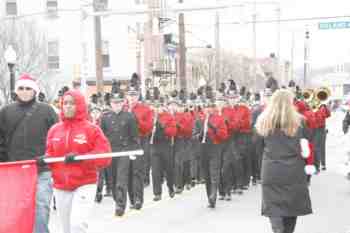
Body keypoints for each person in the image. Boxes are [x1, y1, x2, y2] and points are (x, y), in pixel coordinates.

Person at [43, 90, 111, 233]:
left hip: (84, 184)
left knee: (77, 225)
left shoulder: (92, 130)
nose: (68, 106)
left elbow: (105, 157)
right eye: (65, 103)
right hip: (61, 186)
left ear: (80, 105)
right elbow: (50, 153)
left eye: (72, 103)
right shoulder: (54, 130)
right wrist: (45, 159)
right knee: (66, 228)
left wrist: (81, 158)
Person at [0, 74, 59, 233]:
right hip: (15, 171)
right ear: (16, 91)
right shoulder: (5, 112)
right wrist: (4, 164)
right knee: (17, 210)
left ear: (35, 91)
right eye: (21, 88)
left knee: (41, 208)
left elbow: (57, 137)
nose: (24, 91)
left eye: (28, 88)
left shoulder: (47, 110)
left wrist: (50, 158)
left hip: (41, 170)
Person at [255, 89, 312, 233]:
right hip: (294, 172)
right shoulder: (300, 122)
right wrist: (309, 172)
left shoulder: (262, 121)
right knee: (291, 212)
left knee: (274, 211)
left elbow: (258, 149)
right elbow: (307, 149)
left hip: (271, 171)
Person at [100, 93, 141, 216]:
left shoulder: (129, 117)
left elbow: (135, 137)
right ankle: (118, 199)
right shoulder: (105, 118)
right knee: (112, 180)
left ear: (123, 103)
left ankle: (120, 205)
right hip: (111, 152)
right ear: (110, 104)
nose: (116, 105)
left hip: (125, 151)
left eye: (119, 102)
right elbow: (102, 137)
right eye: (114, 102)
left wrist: (135, 152)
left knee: (121, 179)